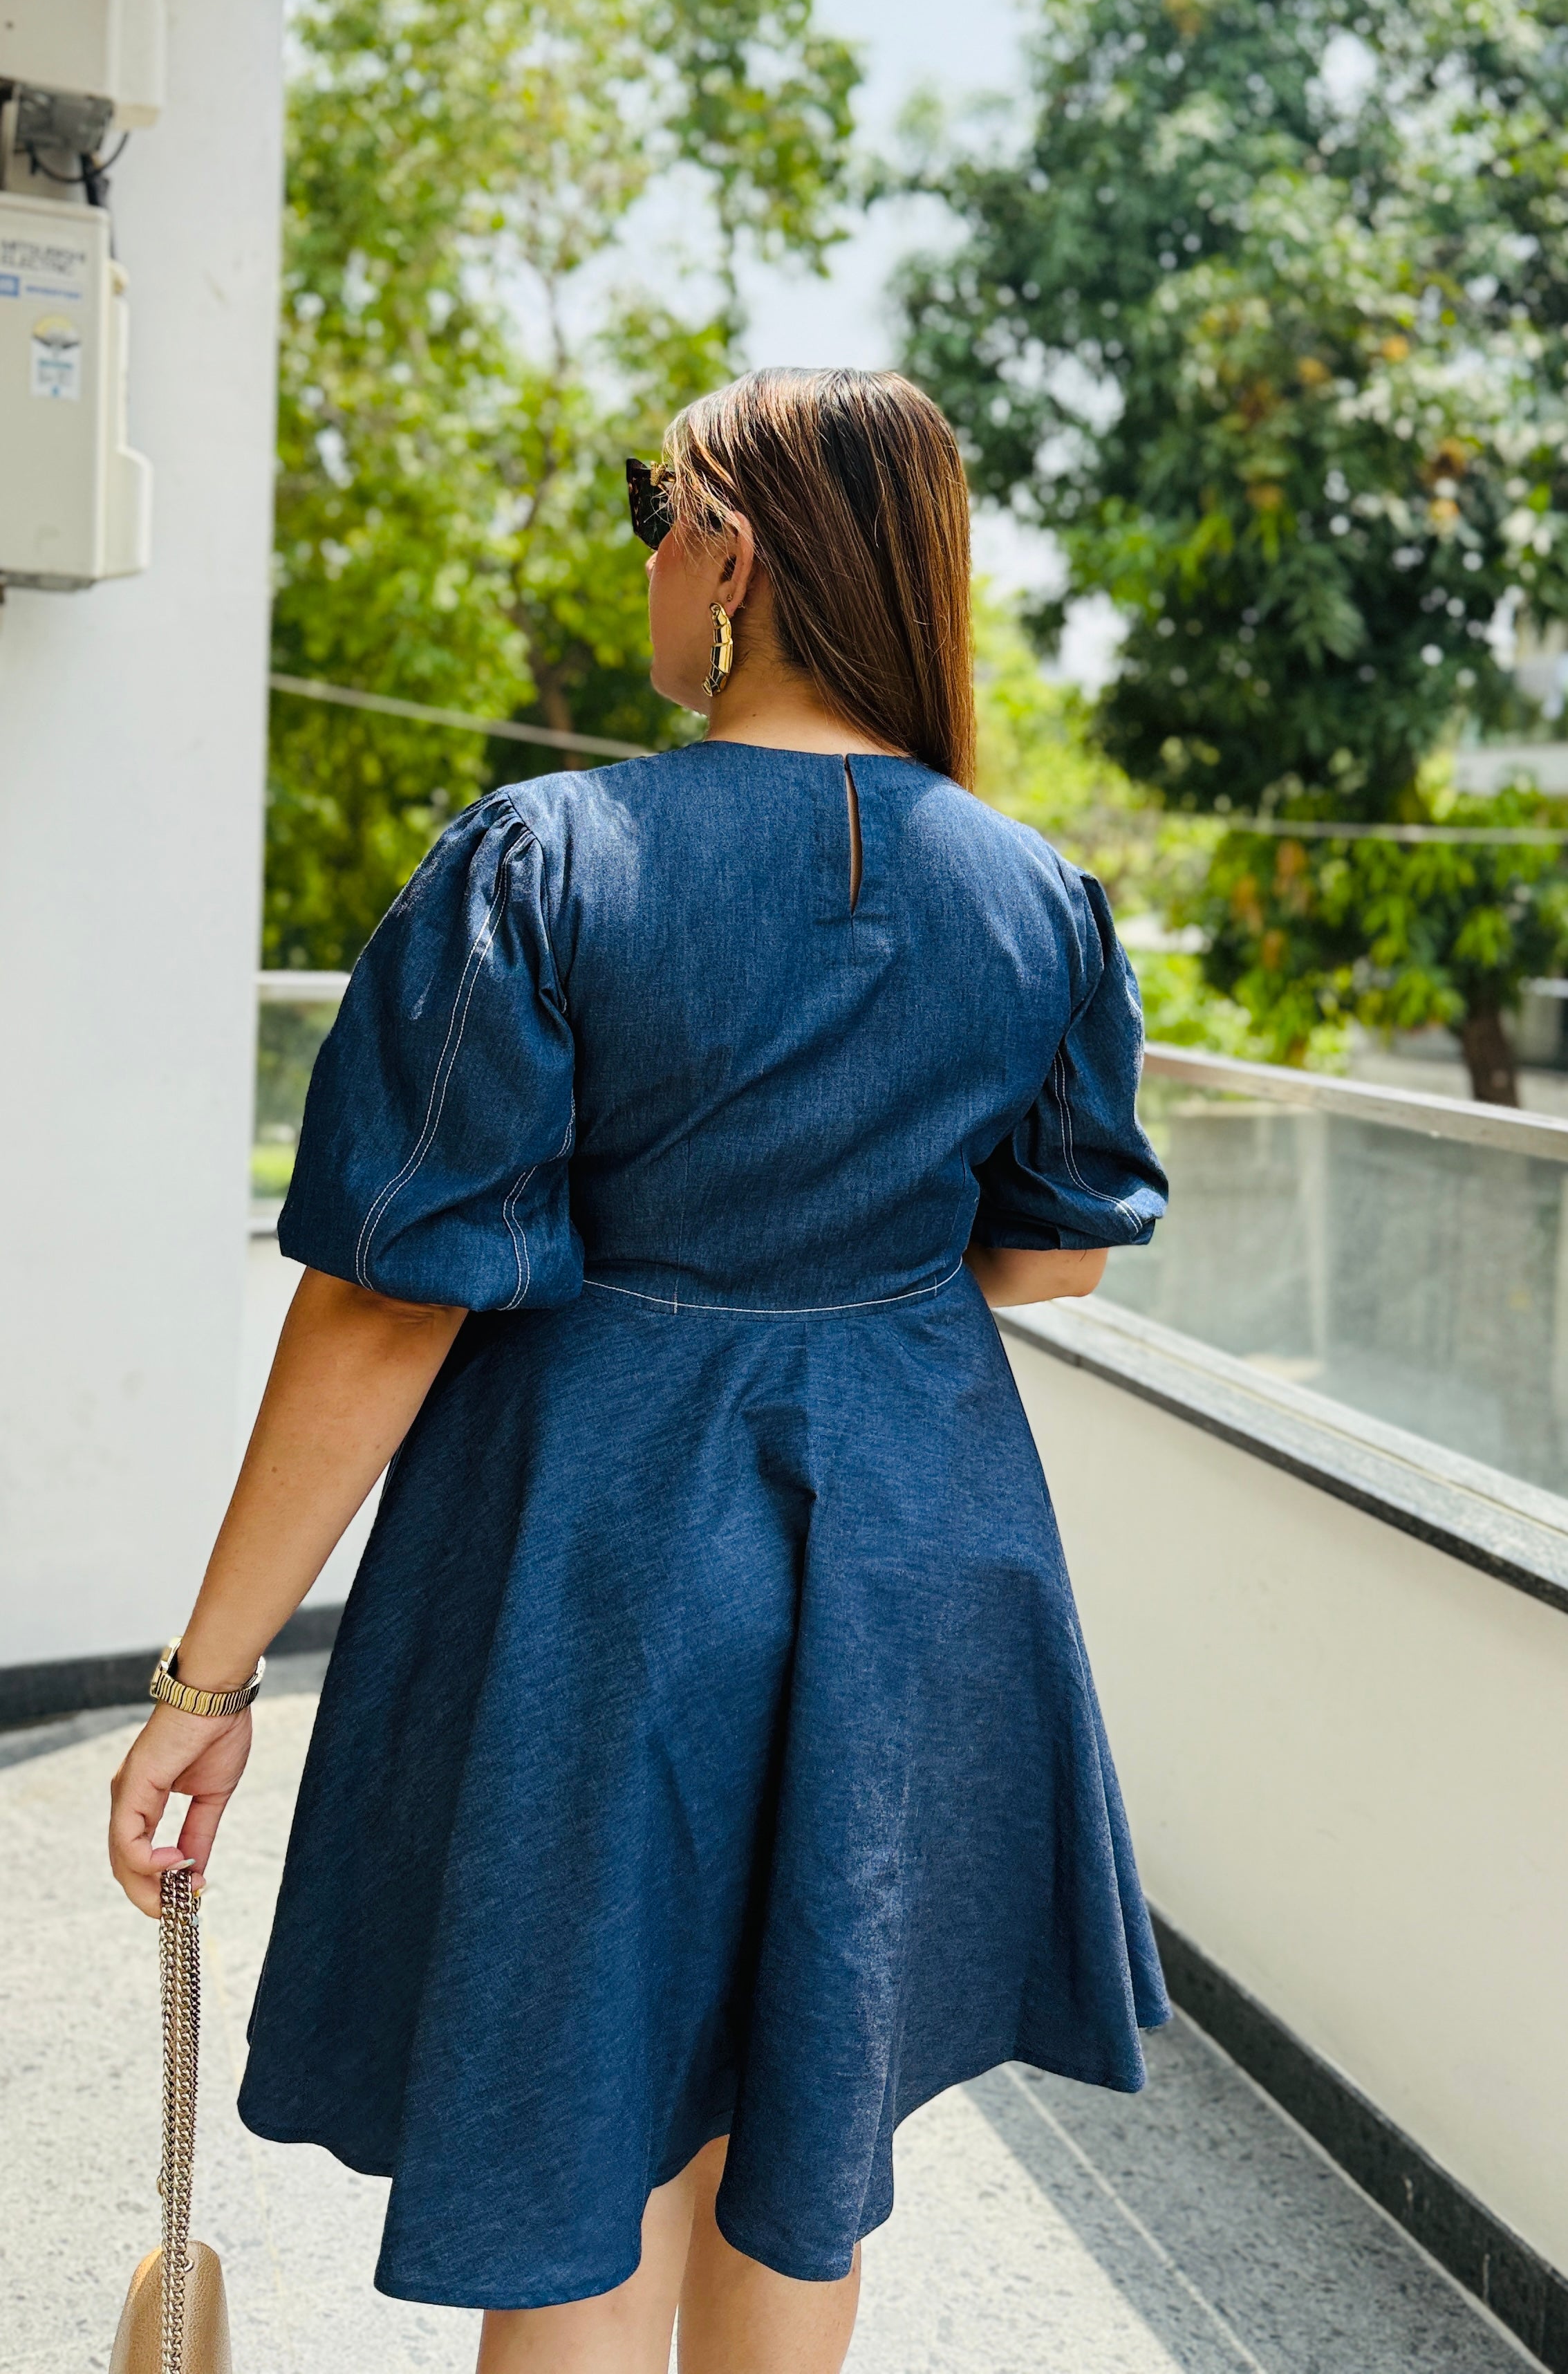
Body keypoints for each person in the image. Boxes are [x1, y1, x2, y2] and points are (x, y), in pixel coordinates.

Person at [109, 368, 1168, 2374]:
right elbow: (1047, 1259)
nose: (647, 553)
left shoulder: (548, 857)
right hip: (918, 1568)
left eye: (651, 506)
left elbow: (386, 1296)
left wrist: (205, 1684)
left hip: (598, 1555)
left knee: (575, 2150)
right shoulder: (1036, 898)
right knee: (800, 2141)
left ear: (736, 548)